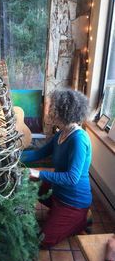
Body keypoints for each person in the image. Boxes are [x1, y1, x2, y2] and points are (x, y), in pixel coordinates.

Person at [29, 89, 92, 248]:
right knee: (29, 181)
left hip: (74, 202)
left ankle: (80, 220)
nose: (50, 112)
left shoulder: (78, 139)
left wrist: (38, 172)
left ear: (65, 112)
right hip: (57, 193)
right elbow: (39, 153)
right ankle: (61, 215)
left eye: (53, 109)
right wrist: (13, 156)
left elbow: (72, 178)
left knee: (42, 241)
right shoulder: (61, 133)